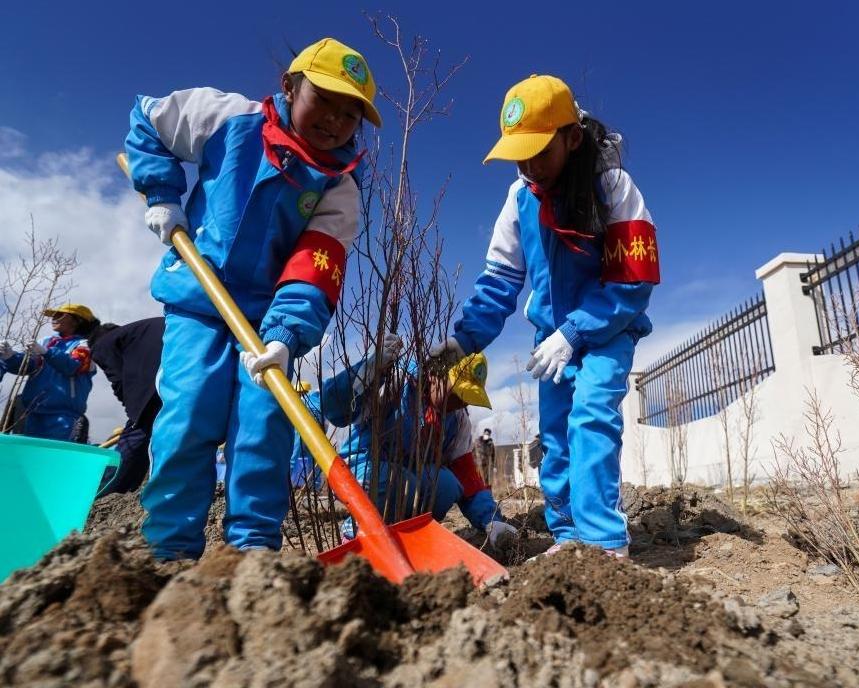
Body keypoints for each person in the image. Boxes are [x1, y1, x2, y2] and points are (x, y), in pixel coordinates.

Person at [124, 37, 381, 560]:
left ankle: (252, 554)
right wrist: (161, 193)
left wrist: (287, 336)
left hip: (268, 323)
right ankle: (170, 551)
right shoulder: (229, 119)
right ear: (288, 86)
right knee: (190, 414)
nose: (334, 121)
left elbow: (315, 264)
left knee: (264, 430)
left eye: (350, 114)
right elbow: (148, 119)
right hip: (200, 302)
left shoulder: (339, 187)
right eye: (324, 101)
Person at [431, 75, 659, 559]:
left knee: (592, 416)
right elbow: (498, 281)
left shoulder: (612, 187)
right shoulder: (518, 201)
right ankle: (568, 535)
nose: (530, 165)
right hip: (551, 339)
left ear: (572, 138)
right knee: (555, 435)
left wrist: (576, 331)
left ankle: (602, 543)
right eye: (520, 153)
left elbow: (632, 281)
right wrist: (464, 339)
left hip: (606, 330)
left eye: (539, 150)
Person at [329, 338, 516, 546]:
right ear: (435, 374)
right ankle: (355, 532)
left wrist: (491, 520)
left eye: (468, 398)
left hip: (408, 480)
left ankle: (407, 535)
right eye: (457, 393)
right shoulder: (397, 383)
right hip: (361, 470)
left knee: (446, 485)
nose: (461, 402)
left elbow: (467, 477)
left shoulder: (458, 420)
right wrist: (370, 369)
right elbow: (335, 410)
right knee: (391, 482)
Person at [89, 317, 165, 497]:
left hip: (153, 388)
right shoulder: (139, 332)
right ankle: (131, 487)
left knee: (136, 435)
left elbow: (118, 379)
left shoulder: (102, 344)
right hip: (185, 374)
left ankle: (103, 492)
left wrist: (133, 411)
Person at [0, 304, 98, 441]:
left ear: (77, 320)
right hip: (33, 413)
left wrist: (47, 352)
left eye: (60, 315)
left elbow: (73, 366)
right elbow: (29, 366)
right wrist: (10, 357)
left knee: (57, 457)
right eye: (53, 315)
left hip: (64, 416)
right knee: (33, 456)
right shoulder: (45, 341)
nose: (53, 318)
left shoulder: (86, 345)